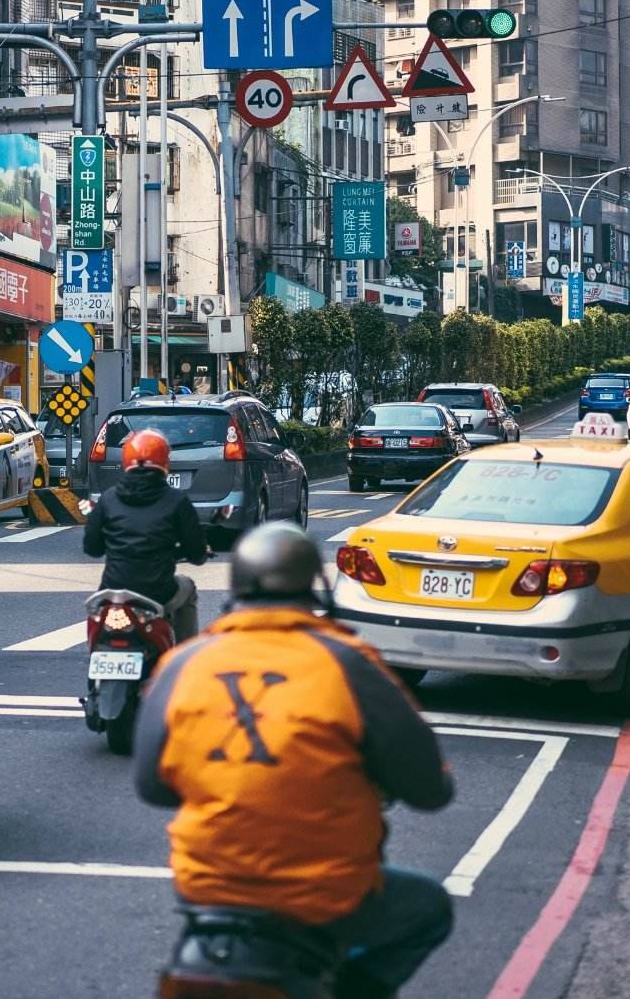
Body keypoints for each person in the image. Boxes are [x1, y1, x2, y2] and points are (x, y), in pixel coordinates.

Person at [135, 523, 454, 999]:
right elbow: (431, 790)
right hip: (322, 896)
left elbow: (153, 787)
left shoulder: (184, 664)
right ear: (313, 585)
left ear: (237, 585)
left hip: (207, 893)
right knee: (428, 909)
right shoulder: (349, 663)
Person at [82, 427, 209, 640]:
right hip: (159, 591)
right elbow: (196, 553)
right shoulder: (176, 500)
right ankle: (184, 655)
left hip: (113, 591)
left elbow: (91, 548)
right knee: (188, 587)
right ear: (165, 461)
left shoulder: (108, 498)